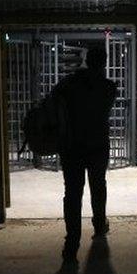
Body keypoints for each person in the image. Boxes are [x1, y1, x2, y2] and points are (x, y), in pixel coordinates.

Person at [52, 46, 117, 262]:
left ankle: (71, 244)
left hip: (71, 146)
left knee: (72, 194)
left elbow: (54, 100)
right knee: (98, 186)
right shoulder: (108, 87)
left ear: (87, 61)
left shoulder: (69, 84)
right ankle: (99, 225)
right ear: (104, 63)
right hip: (97, 145)